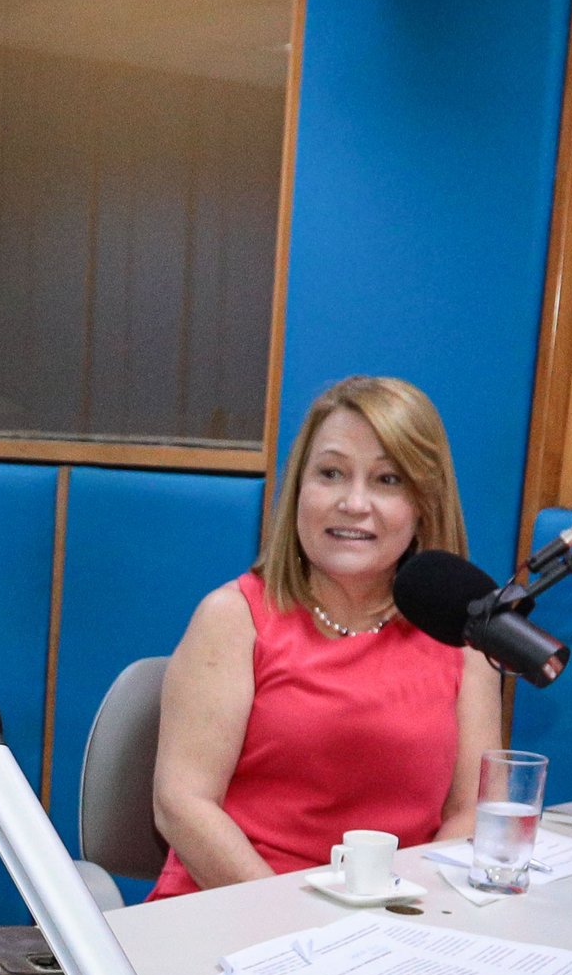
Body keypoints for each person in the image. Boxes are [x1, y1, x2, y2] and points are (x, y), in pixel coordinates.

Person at [149, 374, 506, 896]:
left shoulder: (460, 633)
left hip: (394, 920)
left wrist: (402, 921)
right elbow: (182, 806)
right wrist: (295, 925)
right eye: (331, 474)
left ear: (424, 504)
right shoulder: (233, 618)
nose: (354, 502)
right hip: (237, 909)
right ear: (299, 489)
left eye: (387, 481)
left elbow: (472, 810)